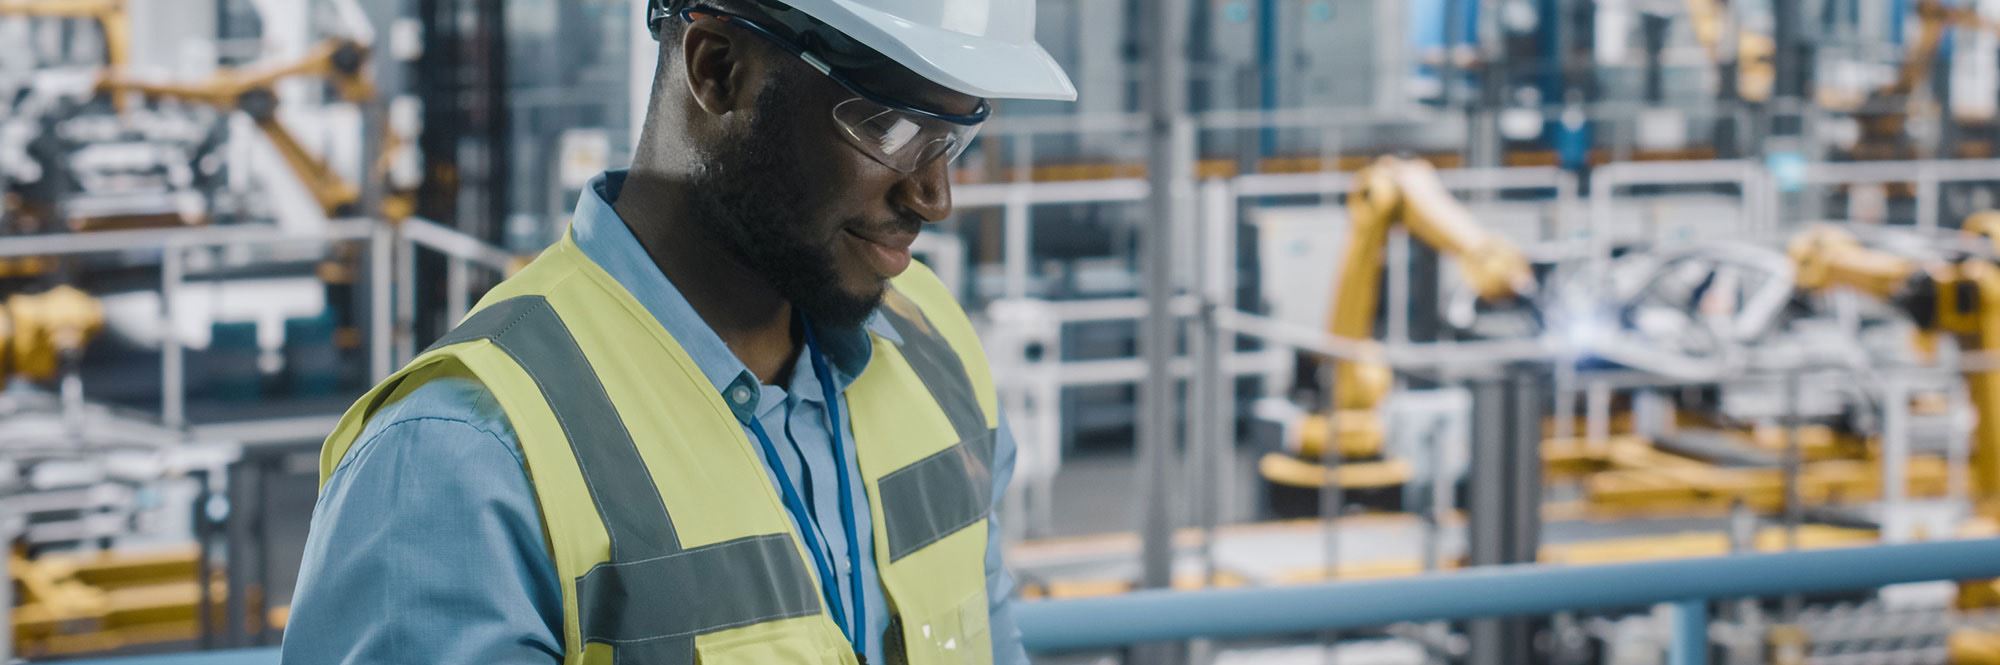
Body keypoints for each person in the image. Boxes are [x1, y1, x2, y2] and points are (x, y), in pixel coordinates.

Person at [280, 0, 1075, 662]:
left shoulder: (931, 341)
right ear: (716, 68)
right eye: (895, 128)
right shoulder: (458, 458)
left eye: (957, 135)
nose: (935, 197)